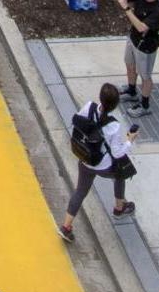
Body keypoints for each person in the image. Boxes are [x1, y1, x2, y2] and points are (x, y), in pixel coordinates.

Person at [58, 80, 139, 241]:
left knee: (80, 191)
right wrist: (130, 140)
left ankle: (66, 226)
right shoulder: (114, 126)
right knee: (120, 174)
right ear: (115, 105)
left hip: (84, 159)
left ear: (100, 98)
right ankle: (119, 208)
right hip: (103, 165)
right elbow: (116, 154)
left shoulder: (89, 107)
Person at [113, 0, 159, 112]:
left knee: (145, 76)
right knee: (129, 65)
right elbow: (127, 1)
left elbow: (142, 27)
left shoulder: (158, 10)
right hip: (133, 39)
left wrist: (126, 8)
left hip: (145, 46)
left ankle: (145, 105)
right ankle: (131, 91)